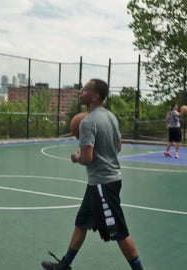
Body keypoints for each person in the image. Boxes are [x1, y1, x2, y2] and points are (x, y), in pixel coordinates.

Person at [41, 79, 144, 270]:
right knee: (81, 223)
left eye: (85, 89)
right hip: (102, 182)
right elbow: (118, 146)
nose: (81, 91)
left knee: (120, 232)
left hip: (103, 184)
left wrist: (75, 156)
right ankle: (65, 265)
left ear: (95, 96)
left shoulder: (87, 122)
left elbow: (87, 158)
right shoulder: (111, 117)